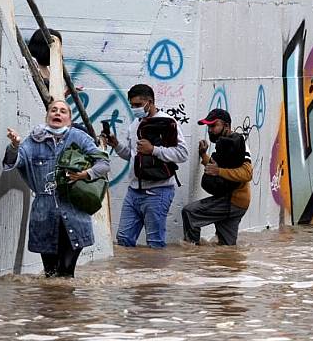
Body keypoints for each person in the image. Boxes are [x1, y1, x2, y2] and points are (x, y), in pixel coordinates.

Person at [2, 100, 110, 277]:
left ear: (69, 119)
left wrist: (84, 174)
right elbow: (14, 162)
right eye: (53, 110)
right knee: (50, 274)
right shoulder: (33, 140)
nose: (57, 113)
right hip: (44, 215)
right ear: (47, 116)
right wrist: (14, 146)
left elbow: (104, 163)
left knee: (66, 273)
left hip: (74, 214)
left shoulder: (79, 137)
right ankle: (52, 304)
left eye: (62, 111)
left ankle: (65, 303)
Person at [103, 84, 188, 248]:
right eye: (132, 105)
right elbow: (132, 156)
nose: (135, 109)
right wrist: (116, 145)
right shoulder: (135, 124)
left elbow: (182, 153)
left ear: (149, 102)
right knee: (123, 240)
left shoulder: (168, 123)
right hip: (133, 192)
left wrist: (154, 150)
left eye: (137, 105)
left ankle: (156, 274)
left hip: (158, 192)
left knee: (155, 244)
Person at [182, 109, 253, 245]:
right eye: (208, 126)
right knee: (226, 249)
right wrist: (204, 156)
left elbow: (247, 174)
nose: (210, 130)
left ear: (226, 126)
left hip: (232, 200)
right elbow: (220, 167)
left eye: (214, 126)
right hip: (238, 202)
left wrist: (218, 171)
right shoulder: (226, 144)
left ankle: (192, 254)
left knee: (190, 212)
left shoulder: (239, 144)